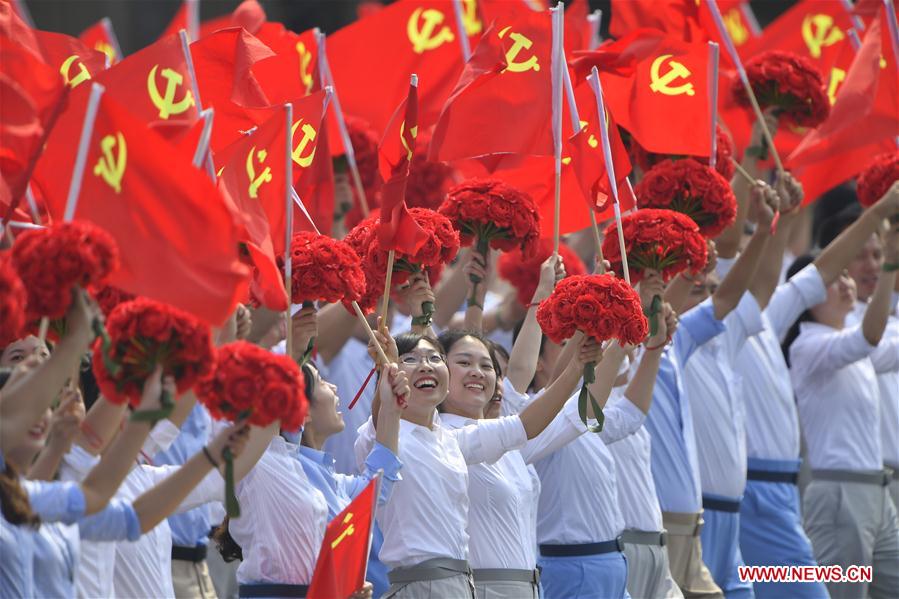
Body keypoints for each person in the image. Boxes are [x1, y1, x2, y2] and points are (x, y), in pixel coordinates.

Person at [353, 315, 605, 599]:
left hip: (462, 584)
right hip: (419, 585)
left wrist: (576, 367)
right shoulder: (384, 433)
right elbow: (382, 416)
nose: (425, 365)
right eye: (409, 360)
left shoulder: (452, 440)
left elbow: (524, 425)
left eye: (435, 358)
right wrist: (386, 369)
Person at [785, 181, 899, 599]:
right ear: (807, 302)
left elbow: (880, 344)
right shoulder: (809, 346)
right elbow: (870, 338)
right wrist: (889, 266)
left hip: (877, 491)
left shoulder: (852, 343)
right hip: (839, 494)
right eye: (832, 283)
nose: (847, 284)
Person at [224, 354, 408, 599]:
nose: (333, 387)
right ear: (301, 409)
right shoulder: (269, 464)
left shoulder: (328, 477)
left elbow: (376, 489)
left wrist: (391, 410)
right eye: (322, 381)